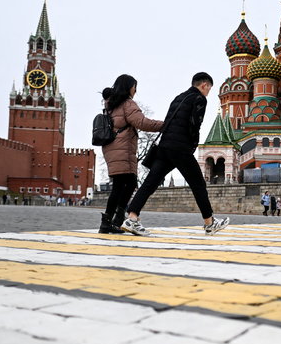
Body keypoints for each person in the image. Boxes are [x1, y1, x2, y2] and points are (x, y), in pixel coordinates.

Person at [122, 72, 229, 236]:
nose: (208, 92)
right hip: (181, 147)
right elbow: (195, 124)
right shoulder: (199, 99)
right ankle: (209, 222)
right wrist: (192, 145)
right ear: (204, 85)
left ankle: (132, 217)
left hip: (165, 146)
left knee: (151, 182)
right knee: (198, 184)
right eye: (209, 89)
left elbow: (169, 121)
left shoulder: (178, 97)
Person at [98, 74, 164, 234]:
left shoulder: (111, 104)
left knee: (125, 184)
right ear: (129, 87)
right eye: (134, 86)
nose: (136, 90)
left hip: (111, 148)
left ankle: (113, 221)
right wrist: (166, 124)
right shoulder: (127, 104)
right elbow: (142, 122)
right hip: (122, 149)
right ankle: (111, 222)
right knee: (123, 185)